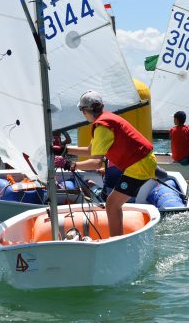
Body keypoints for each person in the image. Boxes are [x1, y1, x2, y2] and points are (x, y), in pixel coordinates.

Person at [65, 90, 157, 237]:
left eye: (83, 111)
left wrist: (73, 165)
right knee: (113, 204)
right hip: (143, 161)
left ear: (86, 111)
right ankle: (117, 237)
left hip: (139, 165)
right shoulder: (106, 119)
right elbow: (91, 150)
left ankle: (115, 240)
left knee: (112, 204)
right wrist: (65, 150)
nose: (83, 114)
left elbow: (96, 162)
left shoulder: (102, 126)